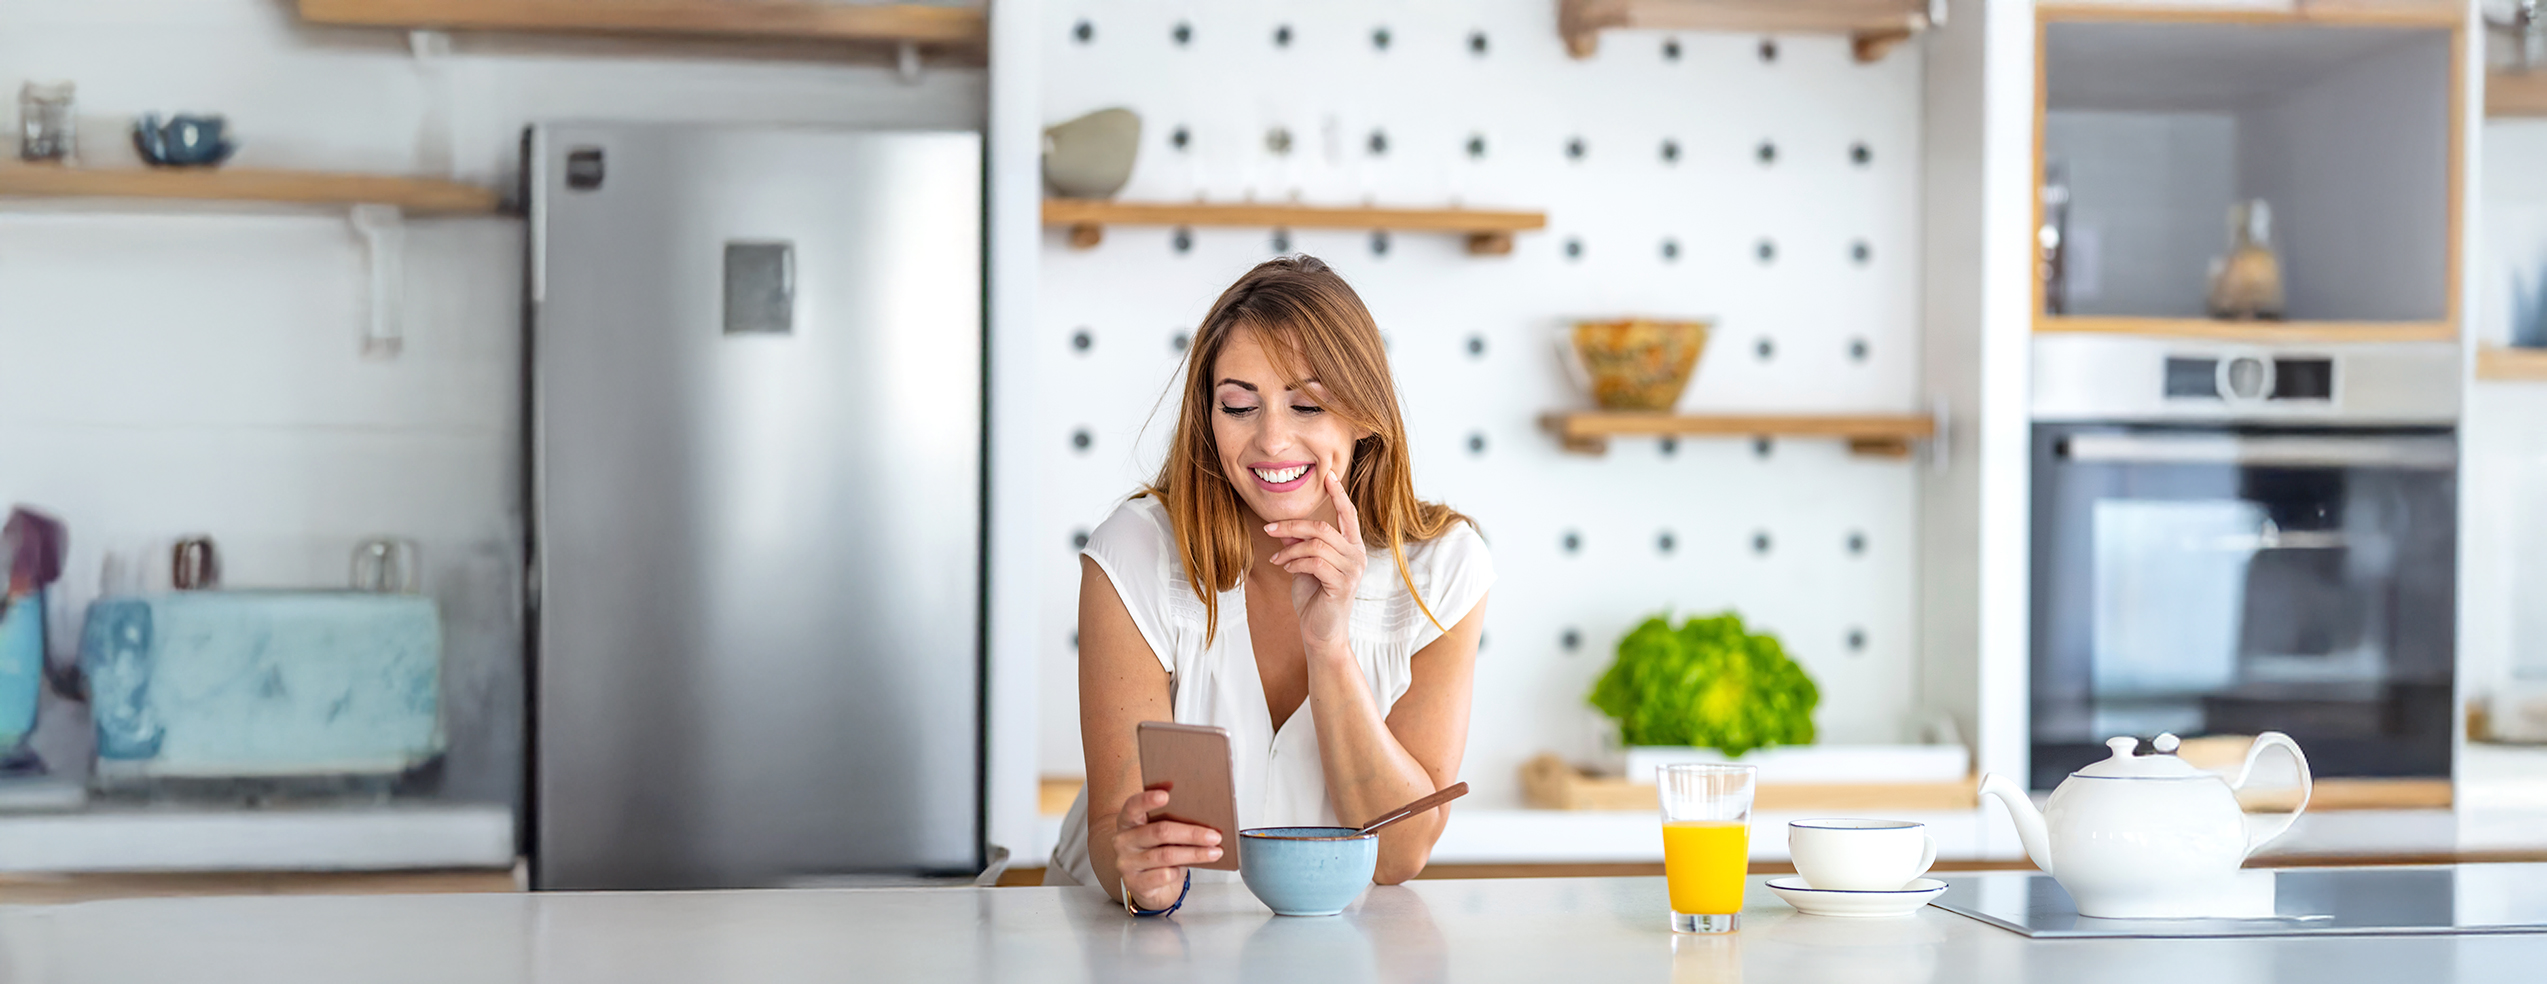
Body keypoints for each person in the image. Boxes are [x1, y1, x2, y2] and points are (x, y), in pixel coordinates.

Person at [1046, 255, 1494, 912]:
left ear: (1365, 415)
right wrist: (1140, 874)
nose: (1272, 440)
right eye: (1238, 405)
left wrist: (1330, 648)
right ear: (1208, 416)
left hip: (1319, 944)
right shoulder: (1136, 552)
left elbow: (1399, 854)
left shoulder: (1441, 569)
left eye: (1306, 404)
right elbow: (1116, 825)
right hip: (1129, 938)